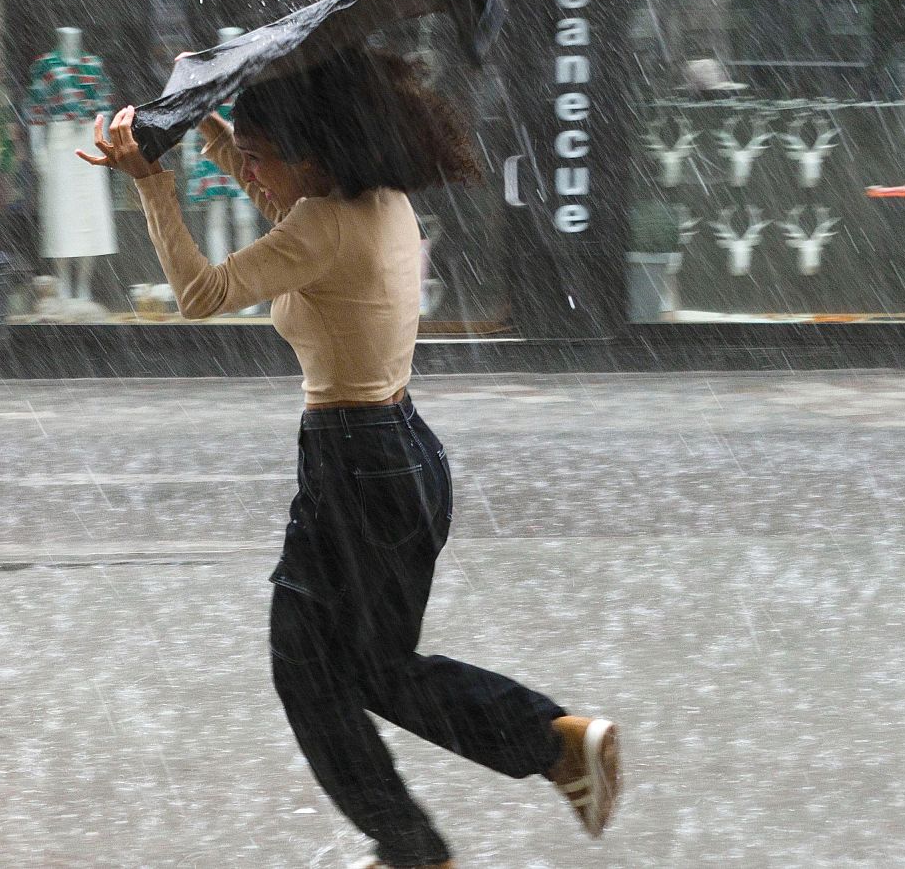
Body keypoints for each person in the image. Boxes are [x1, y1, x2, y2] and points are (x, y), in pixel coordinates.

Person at [78, 46, 620, 869]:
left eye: (260, 161)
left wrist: (152, 182)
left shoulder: (320, 227)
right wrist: (204, 118)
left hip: (357, 466)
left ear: (312, 157)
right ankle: (457, 812)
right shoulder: (374, 200)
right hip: (394, 456)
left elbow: (200, 294)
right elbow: (275, 193)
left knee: (336, 668)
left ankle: (524, 765)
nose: (248, 177)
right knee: (344, 667)